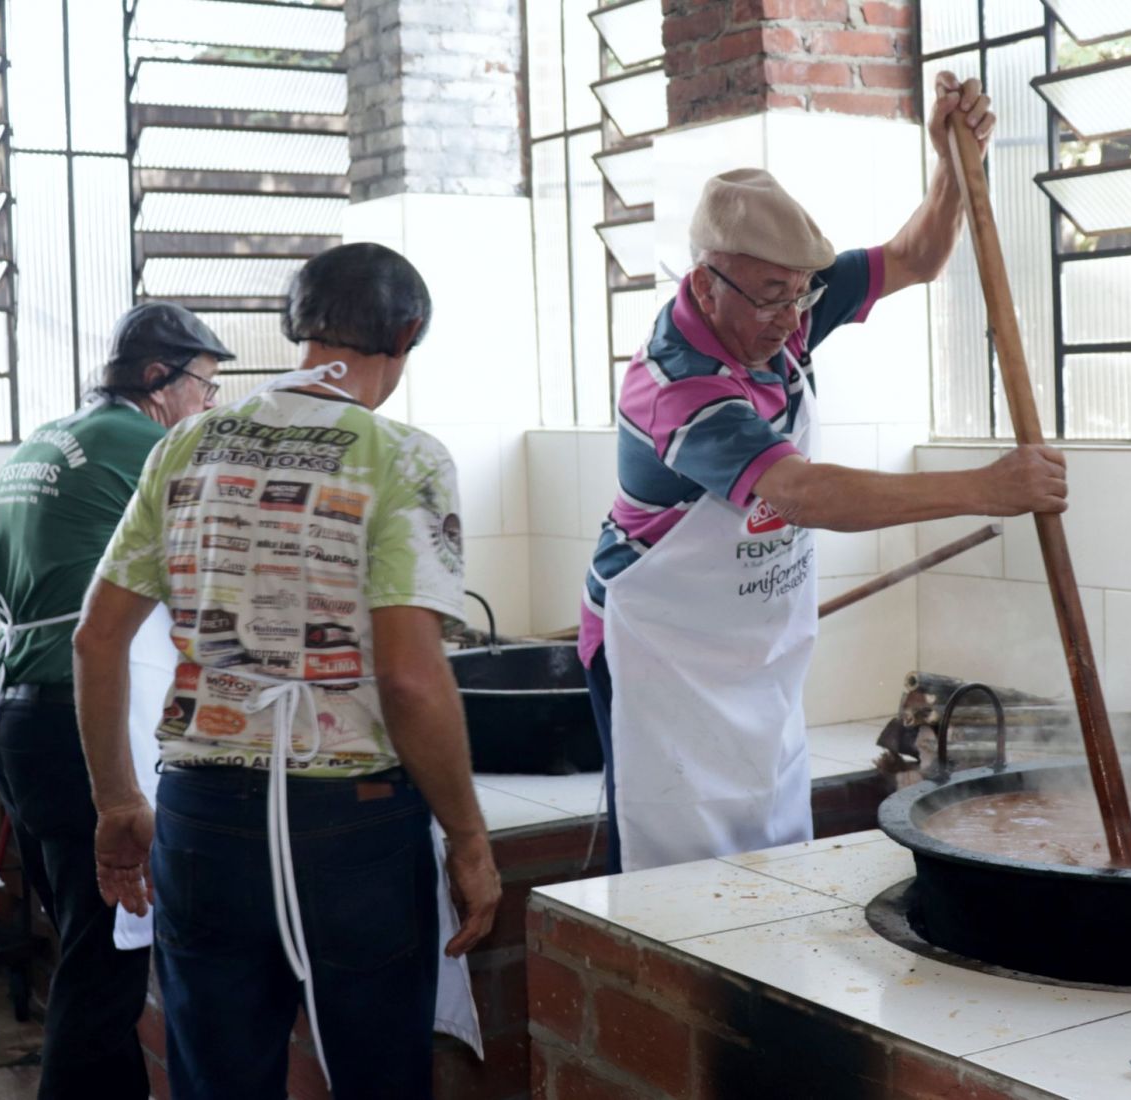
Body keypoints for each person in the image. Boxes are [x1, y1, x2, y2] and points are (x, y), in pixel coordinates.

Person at [579, 75, 1069, 873]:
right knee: (672, 850)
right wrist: (989, 488)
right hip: (658, 645)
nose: (792, 317)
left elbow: (915, 257)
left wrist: (954, 159)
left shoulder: (787, 299)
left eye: (803, 296)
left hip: (746, 639)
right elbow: (804, 494)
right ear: (708, 280)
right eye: (772, 297)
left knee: (768, 819)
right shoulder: (678, 384)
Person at [74, 242, 502, 1099]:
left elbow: (94, 639)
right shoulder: (402, 457)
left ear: (293, 327)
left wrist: (121, 800)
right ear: (409, 331)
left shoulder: (185, 445)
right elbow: (413, 681)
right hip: (350, 829)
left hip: (199, 819)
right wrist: (468, 838)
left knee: (218, 1082)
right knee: (378, 1077)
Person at [0, 302, 233, 1098]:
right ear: (160, 379)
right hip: (79, 721)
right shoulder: (152, 443)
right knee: (103, 975)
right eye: (205, 385)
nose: (209, 404)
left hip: (22, 714)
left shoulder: (43, 442)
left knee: (92, 958)